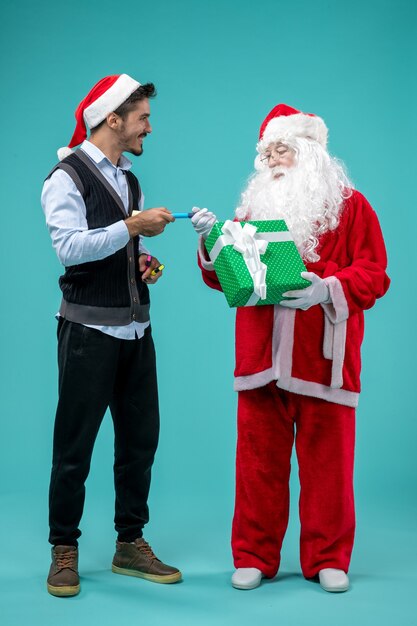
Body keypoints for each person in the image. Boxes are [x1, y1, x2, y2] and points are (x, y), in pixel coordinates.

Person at [192, 104, 390, 592]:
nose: (272, 159)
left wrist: (328, 289)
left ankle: (329, 558)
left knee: (329, 466)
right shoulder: (250, 212)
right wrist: (209, 244)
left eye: (282, 148)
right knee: (257, 465)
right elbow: (224, 280)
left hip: (324, 359)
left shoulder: (352, 207)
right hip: (260, 358)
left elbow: (374, 273)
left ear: (310, 152)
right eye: (267, 151)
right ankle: (255, 556)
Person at [42, 73, 181, 597]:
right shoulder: (65, 177)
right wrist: (131, 229)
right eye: (142, 117)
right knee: (74, 448)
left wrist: (142, 261)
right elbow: (71, 248)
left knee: (140, 441)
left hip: (136, 329)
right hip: (87, 331)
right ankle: (64, 549)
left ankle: (130, 543)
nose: (149, 126)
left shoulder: (129, 179)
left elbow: (116, 247)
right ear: (113, 119)